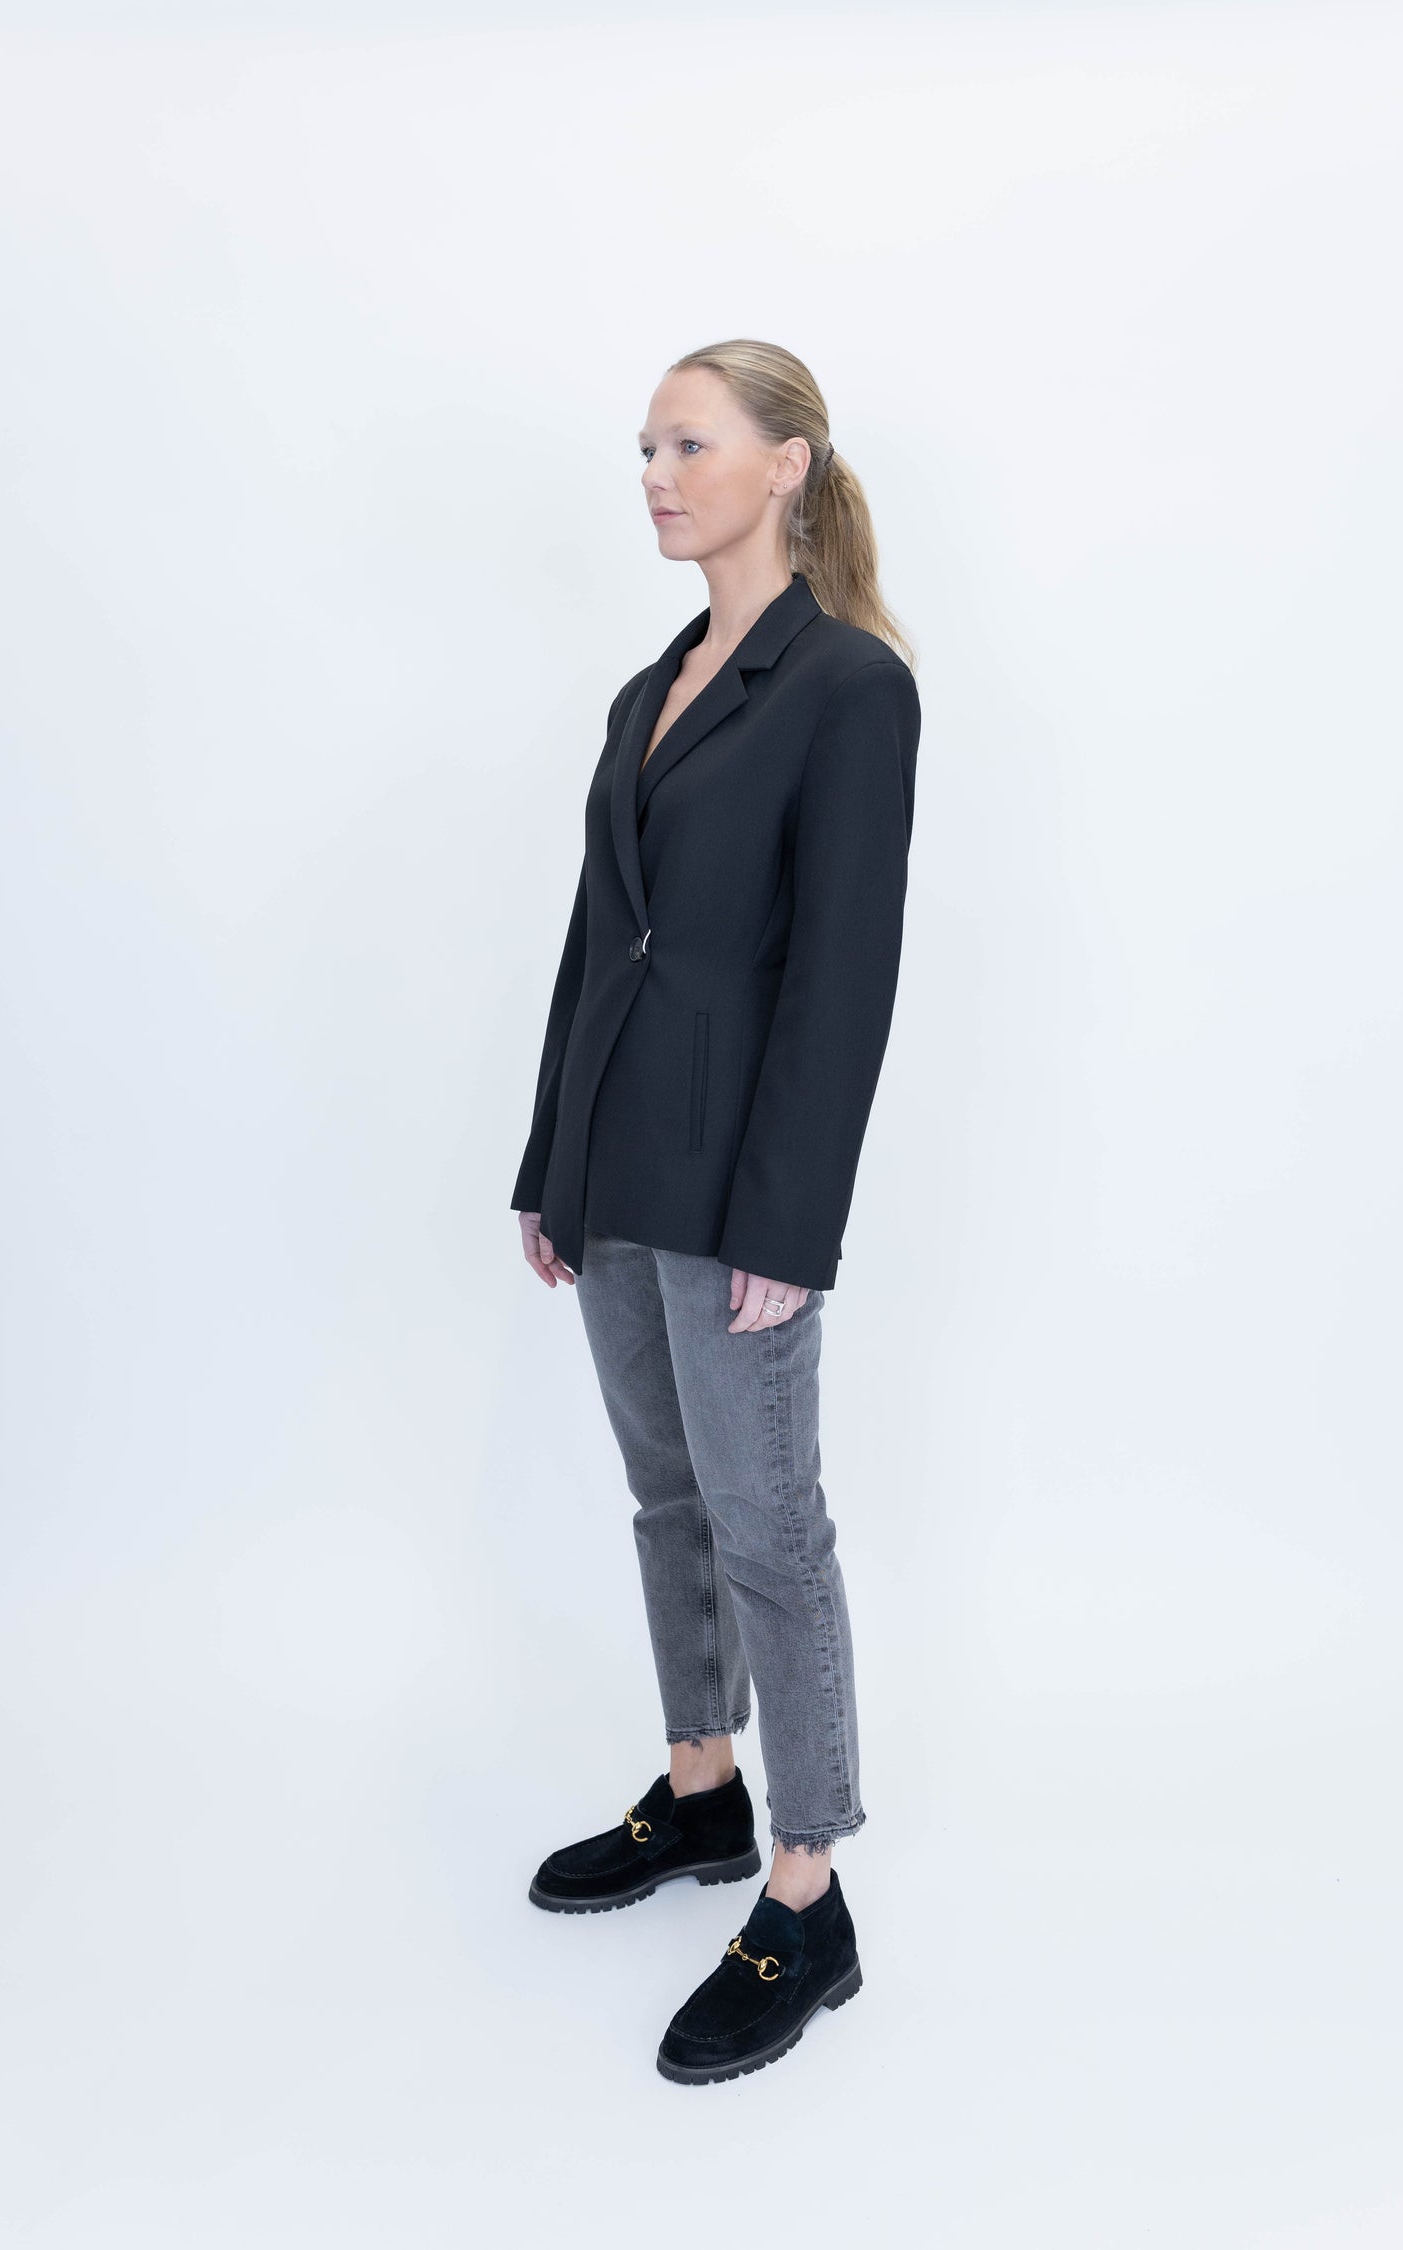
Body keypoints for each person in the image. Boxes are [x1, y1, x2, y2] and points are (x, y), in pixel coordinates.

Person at [510, 337, 921, 2084]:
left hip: (740, 1183)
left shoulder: (849, 688)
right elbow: (598, 941)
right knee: (667, 1495)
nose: (659, 478)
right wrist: (551, 1159)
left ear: (788, 464)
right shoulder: (650, 686)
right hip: (618, 1166)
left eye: (691, 445)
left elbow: (844, 978)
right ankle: (700, 1790)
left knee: (770, 1529)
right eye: (646, 450)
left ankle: (806, 1892)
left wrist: (788, 1228)